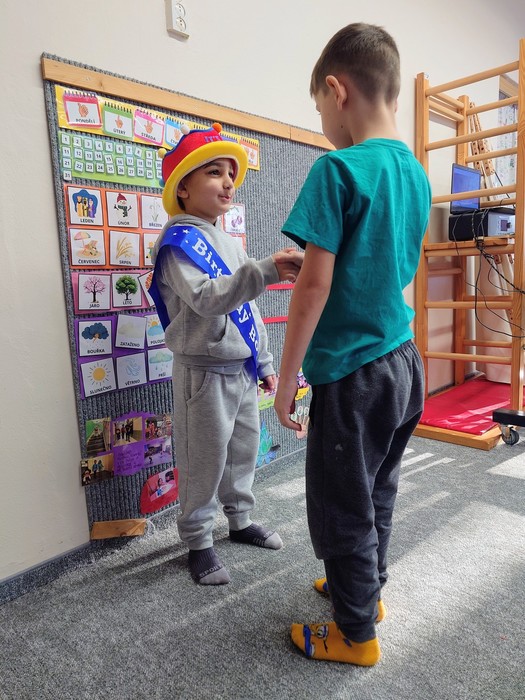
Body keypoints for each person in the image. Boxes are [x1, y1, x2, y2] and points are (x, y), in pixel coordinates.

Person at [274, 23, 432, 666]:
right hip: (404, 363)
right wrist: (324, 264)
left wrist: (287, 380)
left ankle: (355, 635)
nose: (323, 125)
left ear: (337, 91)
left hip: (353, 375)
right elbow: (380, 262)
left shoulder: (337, 169)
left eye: (319, 109)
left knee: (340, 505)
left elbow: (312, 290)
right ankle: (365, 592)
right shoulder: (415, 173)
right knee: (376, 490)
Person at [149, 122, 303, 586]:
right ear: (183, 188)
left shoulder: (228, 241)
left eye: (231, 173)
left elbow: (247, 309)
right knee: (204, 458)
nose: (227, 182)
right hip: (203, 373)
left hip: (241, 369)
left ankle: (239, 521)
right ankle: (198, 541)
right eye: (214, 172)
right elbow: (208, 299)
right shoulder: (178, 244)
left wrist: (265, 363)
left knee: (241, 451)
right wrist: (267, 269)